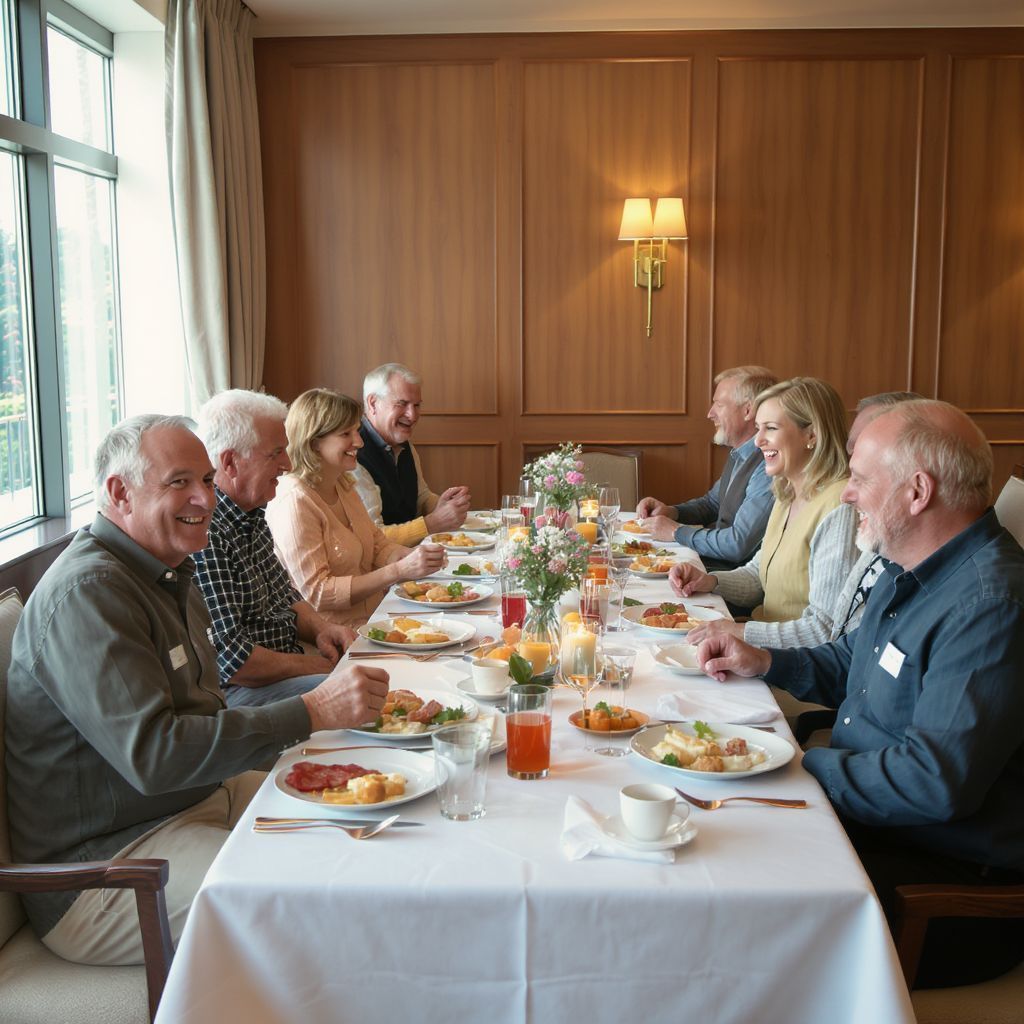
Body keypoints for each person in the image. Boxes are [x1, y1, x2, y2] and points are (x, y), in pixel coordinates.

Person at [4, 415, 389, 965]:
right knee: (318, 898)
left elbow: (208, 709)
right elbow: (155, 755)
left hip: (194, 801)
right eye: (179, 482)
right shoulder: (90, 593)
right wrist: (309, 711)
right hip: (109, 868)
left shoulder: (166, 570)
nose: (204, 499)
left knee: (366, 821)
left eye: (207, 481)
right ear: (120, 493)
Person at [697, 399, 1024, 987]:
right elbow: (856, 661)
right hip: (869, 823)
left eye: (860, 478)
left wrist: (801, 770)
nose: (846, 495)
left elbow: (933, 781)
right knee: (700, 845)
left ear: (916, 492)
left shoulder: (989, 605)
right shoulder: (912, 565)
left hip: (940, 885)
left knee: (718, 918)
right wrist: (765, 659)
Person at [194, 389, 358, 707]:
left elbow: (288, 597)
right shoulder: (207, 532)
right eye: (275, 453)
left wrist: (323, 629)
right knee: (364, 693)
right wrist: (324, 666)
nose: (286, 463)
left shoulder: (252, 514)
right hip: (243, 694)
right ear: (230, 462)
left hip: (287, 671)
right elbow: (234, 661)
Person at [672, 377, 859, 648]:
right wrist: (709, 580)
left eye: (770, 428)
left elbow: (824, 629)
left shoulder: (839, 506)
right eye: (758, 428)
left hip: (796, 670)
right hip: (762, 649)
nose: (758, 441)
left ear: (812, 434)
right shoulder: (786, 492)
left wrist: (741, 632)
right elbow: (758, 575)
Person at [266, 388, 445, 626]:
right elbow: (318, 593)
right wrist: (399, 571)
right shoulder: (294, 501)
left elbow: (378, 544)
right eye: (346, 433)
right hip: (332, 640)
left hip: (373, 620)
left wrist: (416, 558)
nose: (359, 442)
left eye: (357, 431)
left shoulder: (342, 483)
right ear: (314, 441)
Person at [635, 366, 778, 570]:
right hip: (712, 566)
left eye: (719, 405)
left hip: (733, 578)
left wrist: (676, 532)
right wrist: (672, 512)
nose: (710, 414)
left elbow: (737, 544)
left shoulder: (767, 464)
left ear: (748, 410)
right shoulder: (740, 453)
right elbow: (712, 503)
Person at [353, 362, 471, 545]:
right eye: (402, 404)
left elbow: (421, 497)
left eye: (416, 405)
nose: (413, 415)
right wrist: (434, 522)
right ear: (373, 403)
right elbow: (373, 537)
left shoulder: (404, 444)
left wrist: (445, 504)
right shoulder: (353, 453)